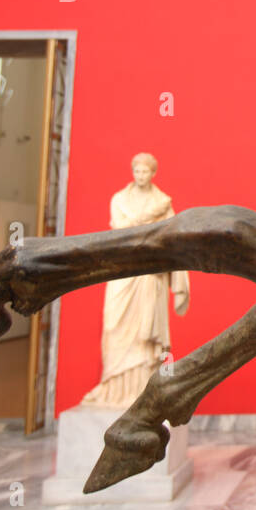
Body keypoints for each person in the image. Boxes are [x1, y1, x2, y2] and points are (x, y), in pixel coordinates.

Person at [80, 152, 190, 408]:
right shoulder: (119, 200)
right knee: (114, 328)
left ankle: (143, 391)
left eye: (145, 172)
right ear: (132, 172)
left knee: (144, 338)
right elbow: (121, 233)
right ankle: (112, 387)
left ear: (153, 173)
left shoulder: (163, 202)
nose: (141, 176)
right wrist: (144, 226)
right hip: (123, 274)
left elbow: (171, 239)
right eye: (137, 171)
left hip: (150, 277)